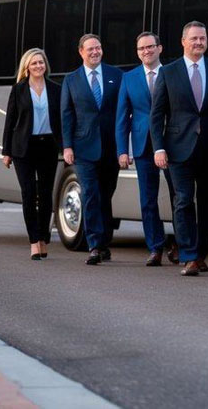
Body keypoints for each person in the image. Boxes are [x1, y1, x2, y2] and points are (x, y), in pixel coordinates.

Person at [150, 21, 208, 276]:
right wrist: (158, 148)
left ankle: (201, 253)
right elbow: (157, 114)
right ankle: (188, 255)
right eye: (194, 38)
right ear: (183, 42)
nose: (199, 42)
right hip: (177, 149)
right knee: (183, 200)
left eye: (203, 38)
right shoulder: (168, 72)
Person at [116, 31, 178, 266]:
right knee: (148, 199)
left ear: (160, 48)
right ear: (138, 52)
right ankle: (155, 247)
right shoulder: (129, 78)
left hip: (172, 142)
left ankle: (181, 244)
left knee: (178, 197)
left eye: (150, 47)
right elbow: (122, 117)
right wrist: (123, 150)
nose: (146, 51)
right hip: (143, 145)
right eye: (142, 48)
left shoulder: (173, 73)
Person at [61, 34, 122, 265]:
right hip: (84, 147)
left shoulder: (117, 75)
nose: (95, 52)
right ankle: (94, 244)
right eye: (90, 49)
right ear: (81, 52)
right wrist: (67, 146)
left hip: (111, 147)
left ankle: (105, 242)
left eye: (98, 47)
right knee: (90, 193)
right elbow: (66, 115)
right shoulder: (71, 80)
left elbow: (123, 110)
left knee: (106, 195)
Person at [1, 48, 62, 260]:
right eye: (34, 63)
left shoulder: (55, 89)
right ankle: (34, 242)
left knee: (45, 195)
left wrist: (66, 146)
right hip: (23, 148)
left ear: (45, 65)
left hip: (47, 146)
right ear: (27, 67)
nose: (38, 66)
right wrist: (6, 151)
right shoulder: (18, 90)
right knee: (28, 193)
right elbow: (10, 122)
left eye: (41, 63)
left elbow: (61, 120)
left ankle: (44, 237)